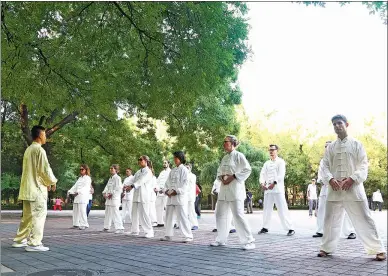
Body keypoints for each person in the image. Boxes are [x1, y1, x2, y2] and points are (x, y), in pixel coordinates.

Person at [317, 114, 386, 261]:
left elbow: (363, 165)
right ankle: (326, 248)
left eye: (339, 123)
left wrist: (352, 179)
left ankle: (378, 249)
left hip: (353, 188)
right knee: (330, 219)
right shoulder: (330, 147)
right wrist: (330, 179)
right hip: (334, 189)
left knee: (364, 218)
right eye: (334, 124)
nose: (336, 126)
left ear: (347, 124)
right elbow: (325, 166)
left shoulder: (356, 144)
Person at [12, 125, 58, 252]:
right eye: (44, 134)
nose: (45, 137)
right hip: (36, 189)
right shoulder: (39, 150)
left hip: (27, 188)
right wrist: (52, 181)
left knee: (27, 216)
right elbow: (44, 169)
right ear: (39, 135)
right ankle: (34, 243)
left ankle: (20, 240)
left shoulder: (28, 149)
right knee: (38, 215)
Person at [210, 135, 255, 250]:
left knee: (238, 215)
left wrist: (234, 176)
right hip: (223, 190)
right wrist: (221, 177)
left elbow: (247, 169)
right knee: (219, 214)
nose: (224, 144)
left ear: (233, 143)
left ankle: (249, 241)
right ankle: (221, 239)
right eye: (224, 141)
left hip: (235, 190)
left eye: (226, 142)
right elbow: (219, 171)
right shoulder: (224, 157)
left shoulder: (239, 156)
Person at [313, 141, 357, 240]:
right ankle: (320, 230)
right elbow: (320, 176)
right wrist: (326, 180)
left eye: (329, 146)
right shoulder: (323, 161)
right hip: (326, 188)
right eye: (325, 147)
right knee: (322, 209)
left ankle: (350, 231)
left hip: (341, 188)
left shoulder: (341, 159)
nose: (327, 148)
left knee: (345, 209)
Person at [259, 144, 295, 236]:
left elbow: (281, 175)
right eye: (269, 150)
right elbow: (262, 174)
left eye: (273, 150)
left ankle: (290, 228)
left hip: (277, 189)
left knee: (282, 209)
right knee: (266, 209)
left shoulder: (281, 162)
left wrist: (274, 183)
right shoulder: (266, 163)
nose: (271, 151)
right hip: (267, 189)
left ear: (277, 151)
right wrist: (262, 183)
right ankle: (265, 227)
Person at [160, 151, 193, 243]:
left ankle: (188, 236)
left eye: (176, 158)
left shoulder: (184, 170)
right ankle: (168, 235)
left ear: (181, 158)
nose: (174, 160)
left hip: (179, 197)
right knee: (168, 216)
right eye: (174, 158)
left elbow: (185, 184)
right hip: (170, 197)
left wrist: (177, 191)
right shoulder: (173, 170)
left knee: (182, 217)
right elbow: (167, 183)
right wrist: (166, 191)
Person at [125, 156, 154, 238]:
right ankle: (135, 230)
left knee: (144, 214)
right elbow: (132, 180)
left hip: (144, 195)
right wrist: (125, 186)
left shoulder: (148, 171)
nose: (139, 161)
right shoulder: (138, 172)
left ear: (146, 161)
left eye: (141, 160)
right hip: (136, 195)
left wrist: (131, 186)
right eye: (138, 159)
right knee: (134, 213)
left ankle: (149, 231)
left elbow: (141, 181)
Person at [67, 164, 92, 230]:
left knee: (82, 211)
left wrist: (78, 191)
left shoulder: (88, 178)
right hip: (77, 196)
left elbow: (86, 187)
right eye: (80, 169)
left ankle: (84, 224)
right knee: (75, 211)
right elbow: (75, 186)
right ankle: (76, 224)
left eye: (82, 169)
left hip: (83, 196)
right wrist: (70, 191)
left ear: (86, 170)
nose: (81, 171)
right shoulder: (80, 178)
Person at [102, 164, 125, 233]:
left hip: (114, 198)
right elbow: (107, 187)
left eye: (112, 169)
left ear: (116, 170)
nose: (111, 170)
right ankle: (106, 226)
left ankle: (120, 228)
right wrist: (104, 193)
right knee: (107, 212)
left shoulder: (117, 178)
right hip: (108, 198)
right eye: (110, 168)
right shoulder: (110, 178)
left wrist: (111, 193)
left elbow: (118, 188)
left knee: (115, 213)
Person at [155, 160, 171, 227]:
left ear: (168, 164)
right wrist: (157, 188)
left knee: (167, 208)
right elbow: (157, 181)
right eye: (163, 163)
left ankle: (169, 223)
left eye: (165, 163)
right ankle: (160, 222)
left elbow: (170, 183)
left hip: (166, 192)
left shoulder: (170, 172)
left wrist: (164, 190)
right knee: (158, 206)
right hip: (159, 192)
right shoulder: (161, 172)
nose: (164, 164)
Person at [186, 163, 199, 230]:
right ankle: (186, 224)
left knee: (191, 211)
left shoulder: (193, 176)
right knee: (185, 211)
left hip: (190, 196)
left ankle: (195, 224)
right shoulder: (184, 175)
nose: (186, 169)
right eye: (186, 167)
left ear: (190, 168)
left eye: (188, 167)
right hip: (184, 196)